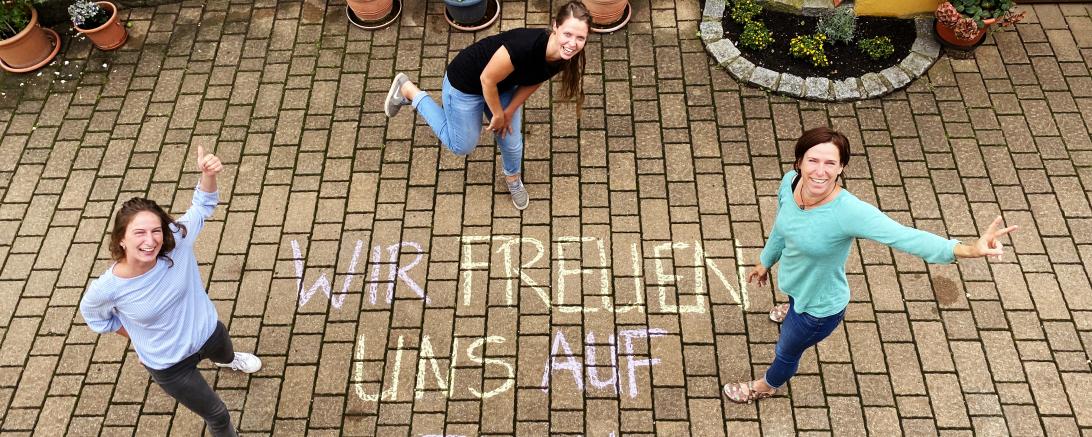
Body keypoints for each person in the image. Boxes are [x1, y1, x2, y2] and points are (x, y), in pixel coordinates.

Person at [723, 127, 1018, 404]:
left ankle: (764, 387)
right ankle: (791, 306)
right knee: (793, 300)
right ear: (799, 162)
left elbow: (906, 237)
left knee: (786, 350)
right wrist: (765, 261)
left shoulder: (850, 212)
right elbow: (782, 227)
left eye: (830, 163)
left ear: (841, 168)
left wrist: (968, 249)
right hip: (797, 286)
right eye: (813, 160)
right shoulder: (790, 183)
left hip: (818, 310)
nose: (820, 170)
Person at [80, 145, 260, 437]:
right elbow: (96, 318)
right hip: (170, 364)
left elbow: (202, 206)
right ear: (122, 240)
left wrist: (207, 174)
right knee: (218, 415)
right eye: (139, 233)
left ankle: (229, 362)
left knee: (225, 351)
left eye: (155, 230)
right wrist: (135, 336)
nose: (151, 241)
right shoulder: (107, 289)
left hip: (208, 332)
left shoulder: (176, 240)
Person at [383, 1, 591, 210]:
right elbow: (487, 80)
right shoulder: (524, 46)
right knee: (462, 146)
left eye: (580, 38)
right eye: (568, 34)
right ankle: (410, 91)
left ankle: (513, 179)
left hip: (502, 86)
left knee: (511, 141)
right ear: (555, 26)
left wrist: (508, 112)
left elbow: (536, 79)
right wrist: (498, 114)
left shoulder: (565, 54)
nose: (572, 43)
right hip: (466, 85)